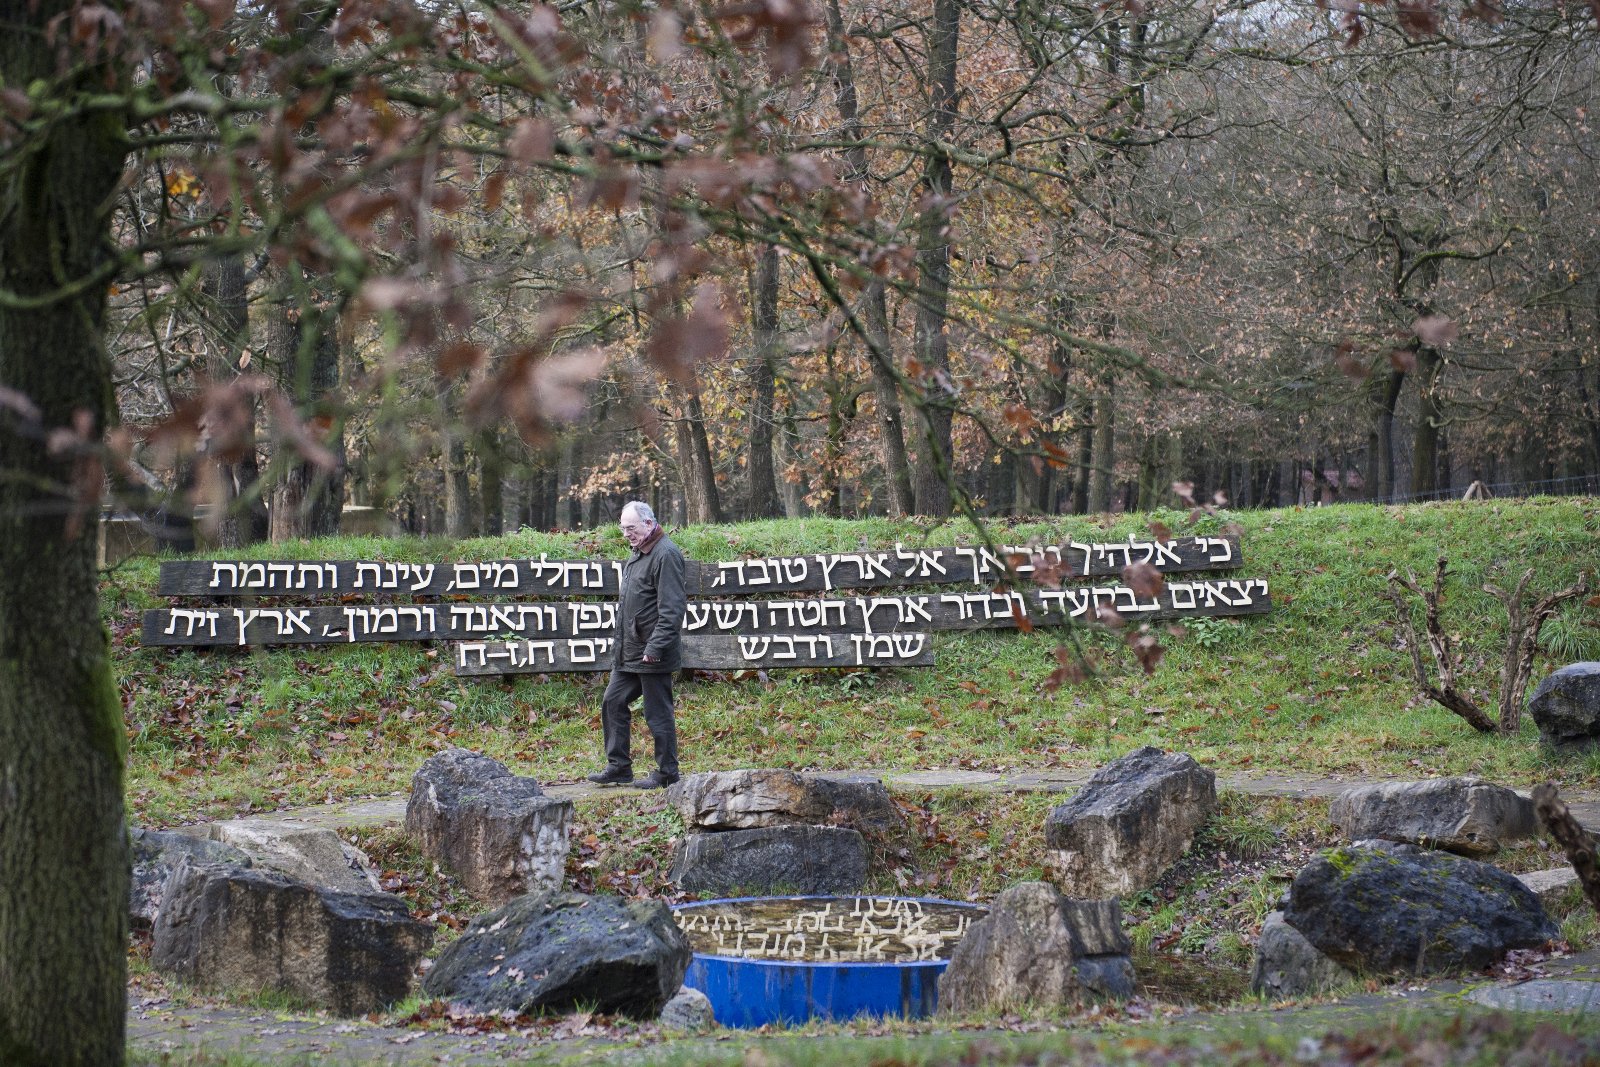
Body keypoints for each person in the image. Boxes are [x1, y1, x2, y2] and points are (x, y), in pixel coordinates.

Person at [586, 501, 686, 789]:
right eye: (623, 528)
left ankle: (667, 772)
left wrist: (654, 648)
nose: (626, 533)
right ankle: (618, 767)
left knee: (657, 713)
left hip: (652, 654)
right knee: (612, 701)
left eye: (631, 527)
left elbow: (672, 609)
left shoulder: (666, 554)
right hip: (630, 652)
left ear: (648, 523)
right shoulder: (640, 552)